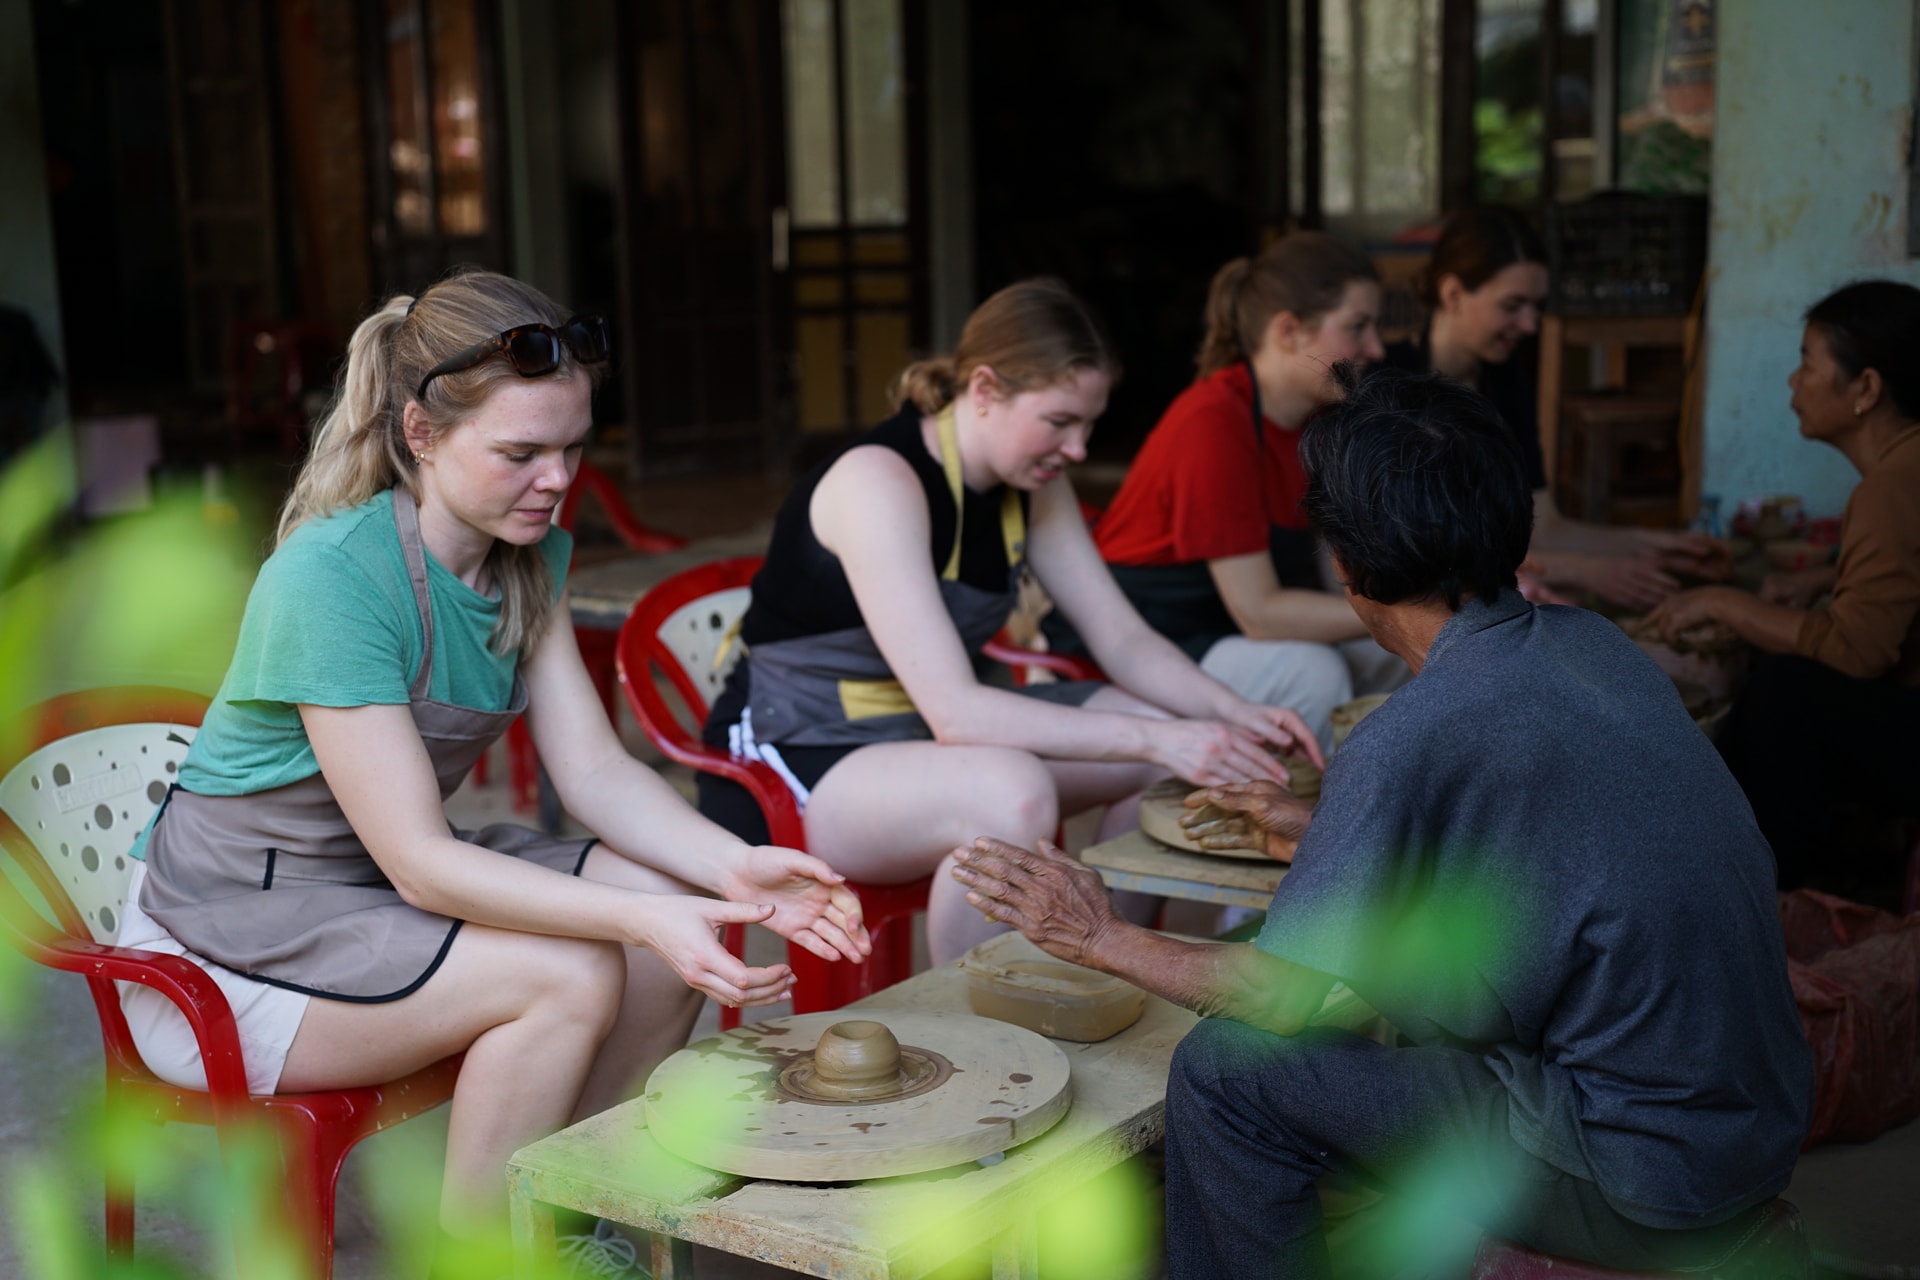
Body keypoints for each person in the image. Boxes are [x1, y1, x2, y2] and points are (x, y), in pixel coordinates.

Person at [953, 365, 1811, 1280]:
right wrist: (1316, 830)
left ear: (1350, 565)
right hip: (1748, 1131)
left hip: (1640, 1181)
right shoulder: (1593, 644)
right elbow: (1549, 865)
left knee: (1225, 1073)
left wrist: (1095, 935)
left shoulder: (1409, 736)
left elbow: (1277, 996)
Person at [118, 270, 868, 1256]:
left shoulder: (529, 554)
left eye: (572, 447)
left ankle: (566, 1210)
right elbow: (423, 864)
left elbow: (595, 771)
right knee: (570, 971)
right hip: (225, 936)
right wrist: (642, 915)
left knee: (672, 890)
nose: (557, 480)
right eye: (521, 452)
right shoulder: (332, 577)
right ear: (421, 435)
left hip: (366, 891)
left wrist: (729, 868)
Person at [697, 278, 1320, 967]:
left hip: (919, 736)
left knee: (1157, 758)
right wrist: (1167, 736)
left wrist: (1233, 715)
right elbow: (958, 715)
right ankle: (977, 1034)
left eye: (1089, 425)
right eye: (1060, 422)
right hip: (803, 750)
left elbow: (1123, 637)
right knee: (1011, 792)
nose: (1079, 449)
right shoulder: (878, 481)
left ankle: (1098, 970)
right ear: (986, 388)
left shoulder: (1032, 485)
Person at [1059, 232, 1394, 751]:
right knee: (1312, 672)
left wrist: (1409, 617)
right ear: (1289, 330)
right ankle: (1314, 825)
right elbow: (1259, 613)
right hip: (1152, 644)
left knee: (1394, 652)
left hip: (1221, 633)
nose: (1376, 348)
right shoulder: (1213, 421)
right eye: (1357, 327)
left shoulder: (1317, 424)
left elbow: (1337, 580)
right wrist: (1403, 610)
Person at [1648, 279, 1920, 894]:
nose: (1793, 384)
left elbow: (1860, 650)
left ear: (1867, 389)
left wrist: (1723, 602)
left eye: (1806, 364)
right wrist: (1830, 573)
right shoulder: (1905, 471)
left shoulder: (1890, 488)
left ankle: (1774, 894)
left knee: (1784, 693)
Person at [1383, 206, 1723, 609]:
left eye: (1536, 306)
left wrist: (1652, 545)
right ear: (1452, 293)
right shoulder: (1390, 383)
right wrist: (1580, 568)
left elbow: (1544, 525)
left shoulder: (1504, 379)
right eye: (1512, 306)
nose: (1530, 325)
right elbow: (1421, 550)